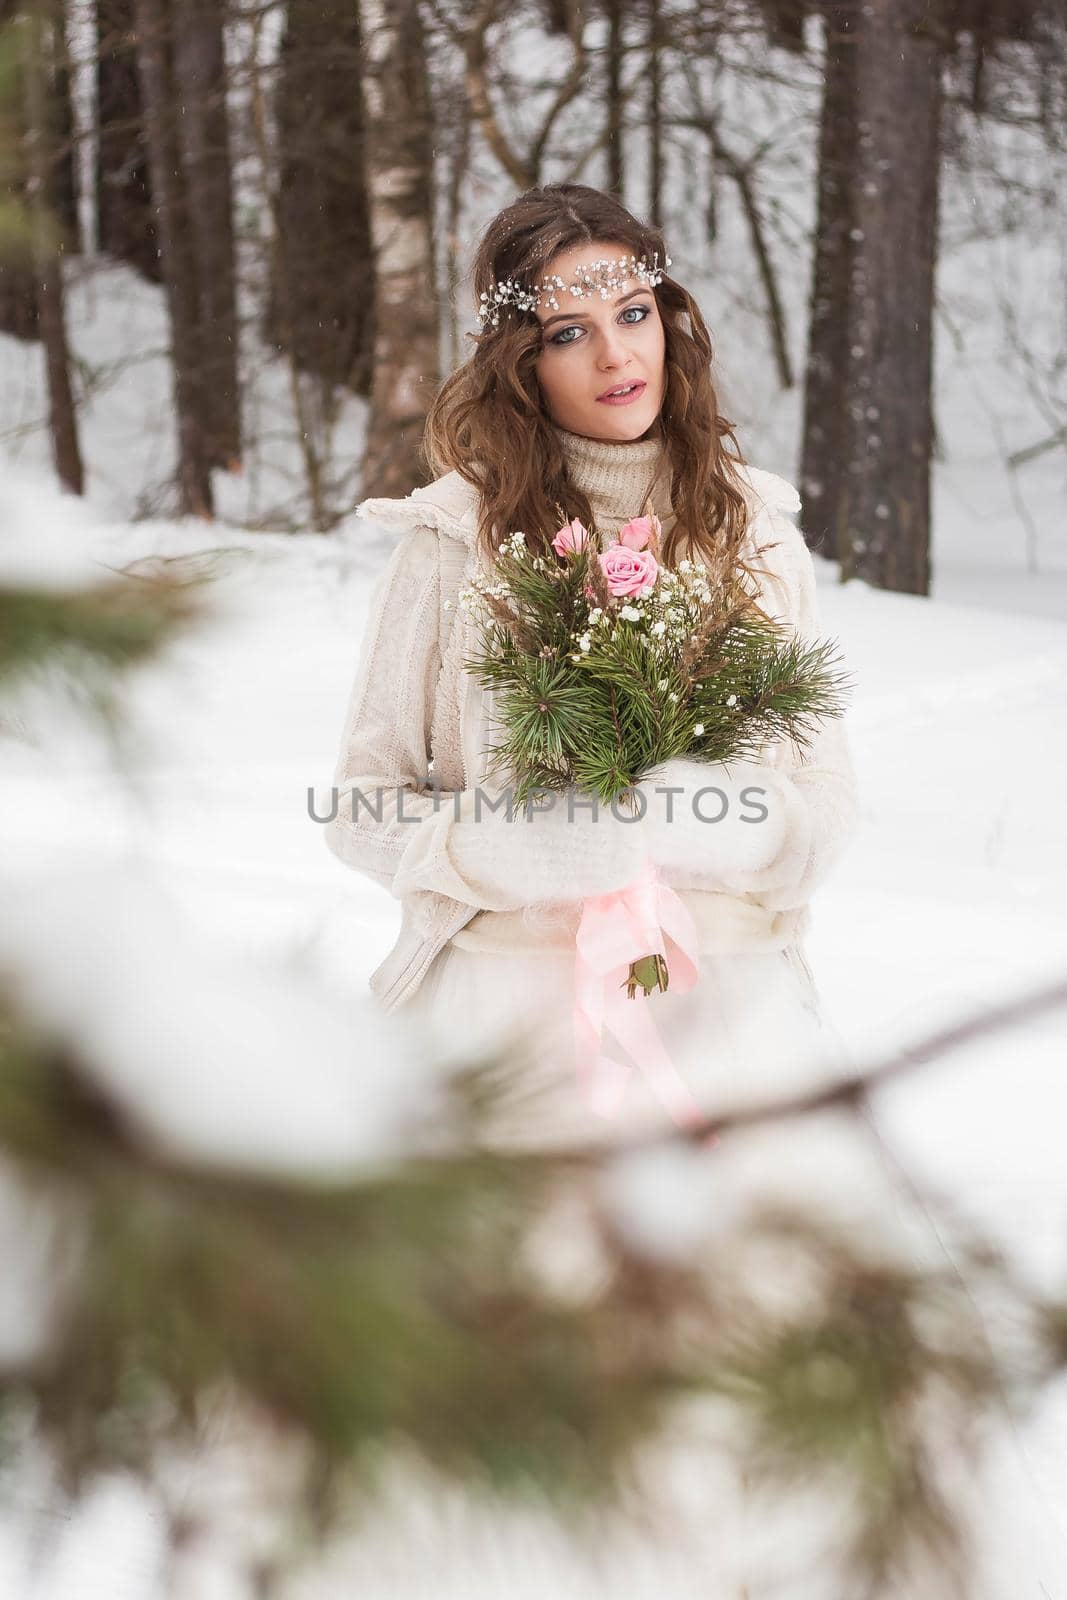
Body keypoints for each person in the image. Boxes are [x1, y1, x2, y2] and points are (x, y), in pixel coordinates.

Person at [324, 182, 860, 1150]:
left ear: (667, 321)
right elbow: (361, 803)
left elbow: (825, 799)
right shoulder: (452, 543)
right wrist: (507, 847)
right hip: (507, 1028)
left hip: (728, 1023)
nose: (615, 355)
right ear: (520, 362)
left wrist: (731, 825)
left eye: (632, 314)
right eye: (567, 332)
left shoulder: (755, 533)